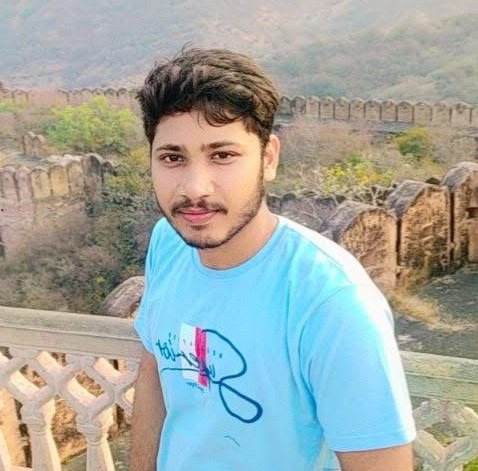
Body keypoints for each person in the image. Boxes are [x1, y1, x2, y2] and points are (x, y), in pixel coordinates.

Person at [130, 47, 416, 471]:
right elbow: (155, 369)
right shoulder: (169, 245)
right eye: (173, 158)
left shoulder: (331, 300)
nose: (195, 188)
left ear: (268, 159)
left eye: (222, 155)